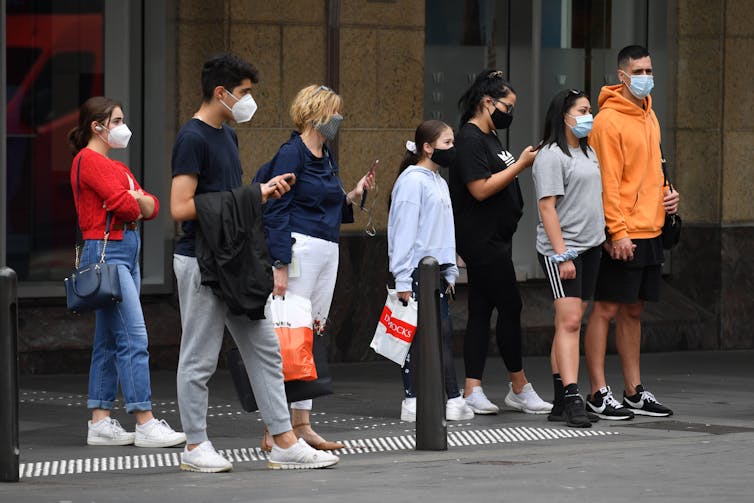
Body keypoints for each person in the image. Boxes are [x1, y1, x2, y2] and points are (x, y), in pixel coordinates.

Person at [170, 54, 339, 472]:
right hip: (201, 260)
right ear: (220, 92)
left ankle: (283, 439)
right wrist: (254, 195)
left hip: (234, 258)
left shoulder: (226, 136)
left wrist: (261, 193)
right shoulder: (192, 138)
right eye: (244, 93)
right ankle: (195, 446)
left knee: (264, 348)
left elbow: (230, 200)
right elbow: (180, 207)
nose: (248, 101)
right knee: (199, 356)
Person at [255, 84, 374, 451]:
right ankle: (276, 428)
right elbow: (276, 208)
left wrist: (353, 195)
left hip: (326, 249)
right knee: (290, 336)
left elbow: (327, 203)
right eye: (334, 112)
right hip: (300, 249)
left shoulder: (324, 155)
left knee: (308, 336)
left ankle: (301, 424)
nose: (339, 119)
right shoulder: (292, 153)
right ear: (316, 112)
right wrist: (279, 262)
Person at [68, 97, 186, 448]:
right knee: (134, 337)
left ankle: (100, 420)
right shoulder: (88, 161)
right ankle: (144, 419)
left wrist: (135, 199)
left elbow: (152, 205)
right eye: (117, 120)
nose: (123, 127)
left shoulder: (111, 165)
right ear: (98, 126)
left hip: (123, 252)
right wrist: (134, 199)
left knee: (108, 340)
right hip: (109, 253)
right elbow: (126, 203)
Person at [584, 45, 680, 420]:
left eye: (649, 70)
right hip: (623, 231)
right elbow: (606, 181)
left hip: (650, 227)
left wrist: (668, 196)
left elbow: (651, 170)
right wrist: (616, 231)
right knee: (605, 308)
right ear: (622, 75)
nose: (645, 77)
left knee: (634, 311)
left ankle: (633, 391)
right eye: (638, 71)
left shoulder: (649, 114)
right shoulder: (608, 122)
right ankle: (597, 392)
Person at [450, 69, 551, 415]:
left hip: (496, 239)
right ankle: (519, 385)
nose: (510, 113)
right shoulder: (469, 140)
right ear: (487, 103)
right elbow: (479, 188)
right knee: (511, 306)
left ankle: (472, 388)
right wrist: (521, 165)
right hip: (483, 242)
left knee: (482, 311)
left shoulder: (490, 138)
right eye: (507, 106)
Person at [387, 120, 475, 423]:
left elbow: (443, 230)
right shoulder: (413, 181)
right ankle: (420, 398)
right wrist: (401, 277)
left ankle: (446, 397)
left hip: (435, 270)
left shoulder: (438, 180)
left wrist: (450, 268)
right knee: (417, 336)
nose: (453, 149)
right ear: (427, 147)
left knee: (439, 334)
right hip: (417, 271)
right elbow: (403, 231)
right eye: (447, 143)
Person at [532, 89, 605, 428]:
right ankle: (573, 397)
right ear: (564, 115)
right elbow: (547, 208)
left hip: (591, 246)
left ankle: (562, 399)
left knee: (572, 321)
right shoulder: (550, 156)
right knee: (571, 321)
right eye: (584, 110)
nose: (589, 115)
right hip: (563, 249)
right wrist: (563, 254)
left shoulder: (587, 152)